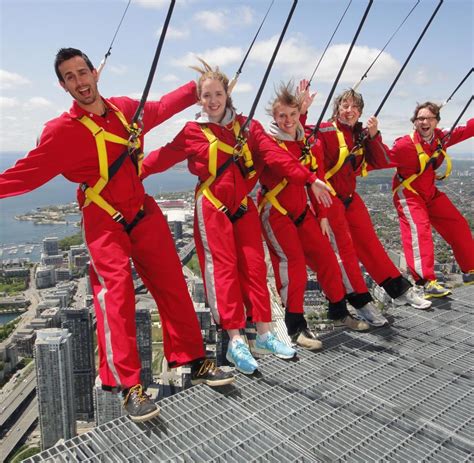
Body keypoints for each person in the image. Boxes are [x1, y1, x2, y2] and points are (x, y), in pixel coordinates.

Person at [0, 48, 234, 423]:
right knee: (116, 294)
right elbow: (25, 174)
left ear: (95, 72)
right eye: (70, 77)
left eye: (83, 72)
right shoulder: (61, 132)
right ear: (63, 86)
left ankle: (192, 357)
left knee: (173, 283)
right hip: (103, 218)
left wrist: (198, 89)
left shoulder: (126, 111)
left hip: (143, 211)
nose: (79, 81)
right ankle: (129, 387)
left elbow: (160, 107)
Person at [142, 60, 333, 374]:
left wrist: (309, 178)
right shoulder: (193, 131)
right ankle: (235, 339)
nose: (213, 100)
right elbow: (162, 157)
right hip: (212, 204)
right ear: (199, 99)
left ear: (226, 95)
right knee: (223, 270)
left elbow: (275, 156)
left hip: (243, 205)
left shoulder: (248, 127)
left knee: (254, 267)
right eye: (206, 96)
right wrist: (130, 173)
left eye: (218, 93)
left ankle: (264, 333)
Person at [257, 81, 370, 350]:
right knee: (293, 264)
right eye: (281, 115)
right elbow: (287, 163)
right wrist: (300, 111)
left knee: (327, 258)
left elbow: (313, 170)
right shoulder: (267, 141)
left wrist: (322, 215)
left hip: (301, 210)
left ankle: (338, 311)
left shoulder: (302, 140)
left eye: (292, 115)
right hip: (276, 212)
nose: (287, 120)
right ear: (273, 117)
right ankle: (296, 327)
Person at [303, 87, 432, 313]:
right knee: (345, 252)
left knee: (371, 245)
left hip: (350, 198)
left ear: (361, 112)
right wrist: (302, 110)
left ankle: (399, 290)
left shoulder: (360, 135)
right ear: (337, 109)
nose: (349, 110)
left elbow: (383, 161)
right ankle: (361, 301)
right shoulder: (324, 129)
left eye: (354, 107)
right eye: (345, 105)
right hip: (328, 198)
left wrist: (373, 136)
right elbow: (301, 136)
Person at [390, 102, 474, 296]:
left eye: (429, 118)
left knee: (458, 224)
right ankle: (425, 282)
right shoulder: (404, 144)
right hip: (409, 193)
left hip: (429, 192)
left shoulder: (441, 137)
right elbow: (378, 159)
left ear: (436, 122)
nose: (425, 122)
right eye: (421, 118)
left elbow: (468, 128)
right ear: (415, 122)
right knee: (420, 230)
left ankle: (470, 269)